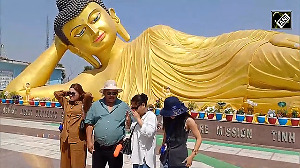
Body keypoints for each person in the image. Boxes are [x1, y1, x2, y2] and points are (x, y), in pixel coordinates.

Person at [5, 0, 300, 111]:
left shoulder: (152, 35)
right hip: (237, 88)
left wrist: (264, 34)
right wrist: (58, 45)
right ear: (75, 49)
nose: (92, 30)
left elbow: (209, 43)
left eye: (94, 18)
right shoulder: (94, 81)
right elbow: (17, 92)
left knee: (284, 55)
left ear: (112, 16)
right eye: (79, 33)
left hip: (239, 57)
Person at [85, 80, 130, 168]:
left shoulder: (124, 106)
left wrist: (128, 121)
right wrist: (89, 141)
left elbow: (130, 125)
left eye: (114, 93)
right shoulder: (96, 105)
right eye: (109, 93)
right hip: (99, 148)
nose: (111, 95)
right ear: (104, 93)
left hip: (116, 147)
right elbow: (89, 123)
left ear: (117, 94)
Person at [54, 83, 93, 168]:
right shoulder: (66, 103)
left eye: (73, 93)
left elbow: (89, 96)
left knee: (77, 164)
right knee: (65, 164)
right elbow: (56, 94)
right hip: (65, 138)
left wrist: (81, 93)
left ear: (80, 94)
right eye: (70, 93)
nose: (71, 95)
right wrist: (67, 92)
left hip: (78, 139)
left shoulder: (83, 104)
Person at [160, 96, 202, 168]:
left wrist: (192, 156)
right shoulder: (167, 118)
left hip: (179, 158)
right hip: (166, 157)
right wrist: (163, 145)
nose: (171, 115)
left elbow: (199, 138)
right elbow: (166, 133)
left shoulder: (188, 120)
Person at [130, 93, 157, 168]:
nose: (134, 110)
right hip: (136, 156)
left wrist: (138, 119)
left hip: (146, 158)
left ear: (143, 105)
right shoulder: (135, 117)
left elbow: (149, 132)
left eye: (135, 108)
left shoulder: (151, 116)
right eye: (132, 108)